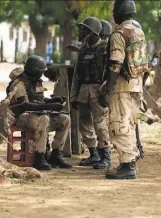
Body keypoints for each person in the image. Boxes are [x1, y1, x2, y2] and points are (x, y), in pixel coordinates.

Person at [98, 0, 150, 179]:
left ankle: (127, 166)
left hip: (122, 86)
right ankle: (130, 160)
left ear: (120, 11)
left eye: (114, 9)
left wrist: (108, 88)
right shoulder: (138, 32)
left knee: (118, 124)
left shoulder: (119, 34)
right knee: (129, 123)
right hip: (137, 85)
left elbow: (115, 63)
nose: (113, 13)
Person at [7, 55, 72, 171]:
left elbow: (40, 100)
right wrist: (50, 106)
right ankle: (39, 157)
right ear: (34, 70)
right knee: (43, 119)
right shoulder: (19, 83)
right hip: (22, 117)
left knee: (64, 119)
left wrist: (54, 101)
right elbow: (26, 105)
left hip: (37, 116)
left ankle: (56, 154)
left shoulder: (36, 81)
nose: (42, 75)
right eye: (40, 72)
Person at [69, 17, 111, 169]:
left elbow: (110, 73)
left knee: (100, 124)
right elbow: (76, 76)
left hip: (98, 91)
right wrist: (73, 96)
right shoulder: (82, 50)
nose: (81, 32)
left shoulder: (104, 49)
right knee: (84, 124)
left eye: (84, 29)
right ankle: (94, 154)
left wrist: (106, 93)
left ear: (93, 32)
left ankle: (105, 156)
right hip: (83, 91)